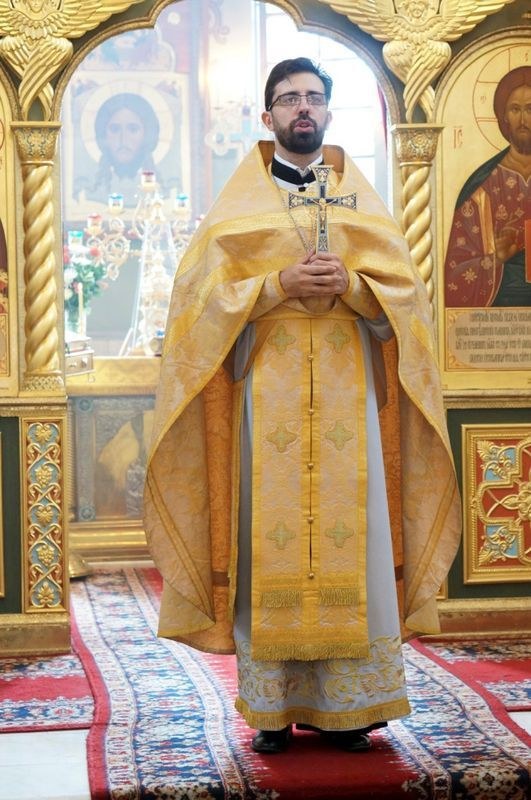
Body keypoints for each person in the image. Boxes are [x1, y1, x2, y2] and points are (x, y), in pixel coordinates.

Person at [144, 57, 461, 754]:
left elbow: (406, 304)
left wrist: (354, 285)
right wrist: (273, 285)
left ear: (328, 111)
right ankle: (272, 710)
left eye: (314, 97)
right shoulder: (236, 210)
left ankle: (352, 710)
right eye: (288, 99)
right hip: (267, 402)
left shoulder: (360, 202)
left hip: (351, 399)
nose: (303, 108)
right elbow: (196, 307)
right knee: (267, 544)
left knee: (359, 541)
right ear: (268, 117)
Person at [444, 66, 531, 307]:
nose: (523, 120)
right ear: (504, 116)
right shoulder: (482, 186)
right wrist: (495, 259)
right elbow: (454, 271)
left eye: (530, 109)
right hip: (499, 310)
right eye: (515, 109)